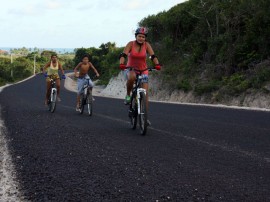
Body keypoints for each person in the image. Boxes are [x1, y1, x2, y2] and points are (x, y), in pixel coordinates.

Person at [119, 27, 161, 124]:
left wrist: (157, 64)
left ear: (145, 38)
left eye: (143, 37)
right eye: (139, 36)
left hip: (143, 70)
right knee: (132, 77)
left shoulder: (147, 45)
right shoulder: (131, 44)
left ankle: (145, 118)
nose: (141, 38)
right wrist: (122, 63)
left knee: (145, 94)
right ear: (136, 36)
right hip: (131, 68)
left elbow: (152, 56)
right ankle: (128, 95)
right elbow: (123, 55)